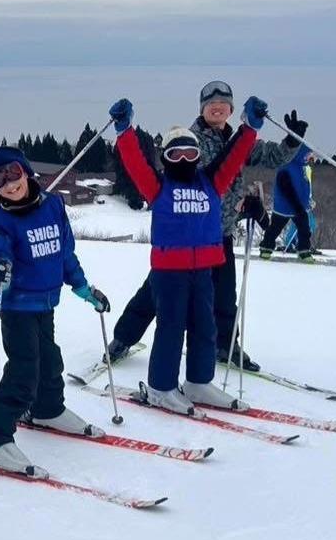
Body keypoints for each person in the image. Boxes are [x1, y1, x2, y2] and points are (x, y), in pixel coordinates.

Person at [106, 81, 306, 372]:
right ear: (202, 108)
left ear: (232, 110)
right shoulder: (192, 139)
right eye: (211, 103)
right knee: (154, 293)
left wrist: (292, 140)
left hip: (219, 233)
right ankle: (123, 337)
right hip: (186, 238)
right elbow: (198, 179)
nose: (218, 107)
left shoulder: (233, 137)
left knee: (225, 295)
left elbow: (270, 157)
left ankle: (225, 345)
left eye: (224, 103)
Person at [111, 95, 264, 413]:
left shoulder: (211, 181)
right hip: (170, 272)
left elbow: (232, 157)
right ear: (166, 158)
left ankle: (197, 382)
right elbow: (135, 162)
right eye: (175, 153)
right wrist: (125, 130)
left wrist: (250, 127)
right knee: (171, 327)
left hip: (204, 268)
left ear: (197, 156)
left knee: (204, 327)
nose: (183, 158)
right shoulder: (158, 186)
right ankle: (160, 387)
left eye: (190, 152)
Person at [0, 146, 110, 477]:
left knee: (50, 360)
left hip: (47, 303)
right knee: (23, 372)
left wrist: (85, 290)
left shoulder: (53, 207)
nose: (8, 184)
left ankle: (47, 409)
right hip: (16, 307)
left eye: (12, 173)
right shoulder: (0, 223)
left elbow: (65, 255)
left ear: (26, 171)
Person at [260, 144, 315, 261]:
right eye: (307, 154)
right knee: (275, 228)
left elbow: (305, 187)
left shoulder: (303, 168)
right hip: (284, 207)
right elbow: (285, 188)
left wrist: (308, 201)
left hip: (300, 206)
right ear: (300, 154)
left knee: (304, 228)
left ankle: (304, 251)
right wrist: (297, 205)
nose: (309, 156)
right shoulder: (286, 167)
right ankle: (266, 248)